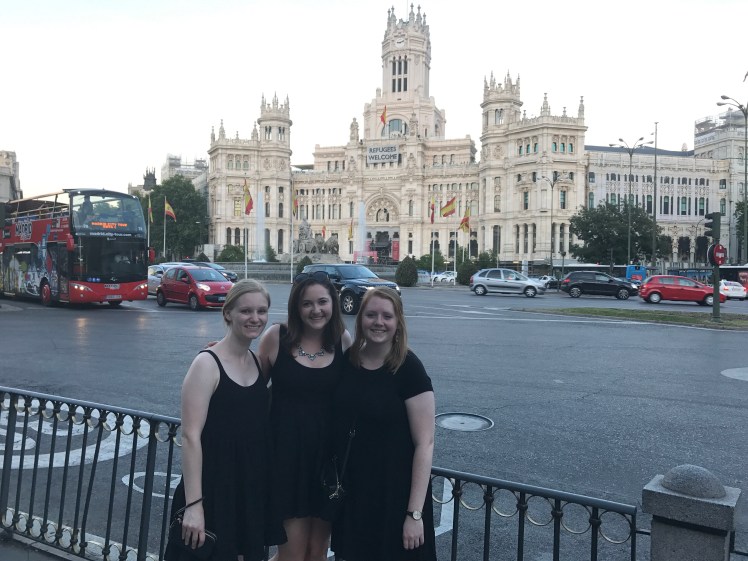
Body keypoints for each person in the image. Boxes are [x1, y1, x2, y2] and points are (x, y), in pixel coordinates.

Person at [166, 279, 285, 561]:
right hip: (214, 488)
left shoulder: (256, 361)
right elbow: (190, 437)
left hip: (248, 486)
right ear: (228, 313)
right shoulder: (206, 364)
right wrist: (194, 505)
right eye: (246, 311)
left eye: (261, 311)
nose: (255, 318)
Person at [331, 287, 436, 561]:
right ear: (360, 319)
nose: (379, 322)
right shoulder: (349, 361)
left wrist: (414, 513)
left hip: (396, 496)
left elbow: (425, 443)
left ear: (398, 322)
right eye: (371, 315)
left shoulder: (409, 368)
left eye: (387, 316)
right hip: (356, 495)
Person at [258, 271, 352, 561]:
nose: (316, 310)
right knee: (292, 555)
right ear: (296, 308)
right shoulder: (276, 337)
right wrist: (221, 355)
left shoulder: (342, 340)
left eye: (322, 302)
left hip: (327, 463)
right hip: (286, 460)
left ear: (333, 303)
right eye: (307, 303)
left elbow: (362, 389)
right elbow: (251, 387)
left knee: (316, 554)